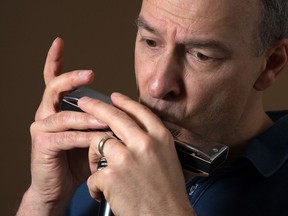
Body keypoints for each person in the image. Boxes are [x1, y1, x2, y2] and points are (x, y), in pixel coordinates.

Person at [17, 0, 288, 215]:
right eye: (150, 41)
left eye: (201, 55)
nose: (157, 85)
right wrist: (43, 202)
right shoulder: (93, 166)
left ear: (271, 64)